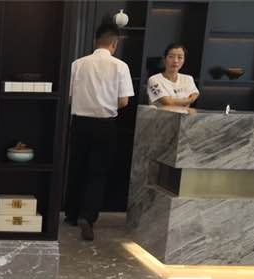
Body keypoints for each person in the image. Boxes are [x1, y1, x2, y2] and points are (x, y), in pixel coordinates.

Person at [65, 22, 134, 241]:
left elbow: (68, 97)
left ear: (95, 41)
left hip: (80, 123)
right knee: (97, 173)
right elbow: (123, 101)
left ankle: (71, 214)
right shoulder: (120, 66)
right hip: (105, 125)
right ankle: (87, 217)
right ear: (115, 44)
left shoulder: (78, 64)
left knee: (76, 168)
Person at [147, 43, 199, 109]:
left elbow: (195, 95)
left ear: (184, 60)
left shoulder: (188, 79)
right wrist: (188, 101)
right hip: (161, 115)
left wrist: (176, 101)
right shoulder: (154, 79)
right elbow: (168, 102)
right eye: (171, 56)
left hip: (182, 115)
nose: (175, 61)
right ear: (164, 59)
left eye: (180, 57)